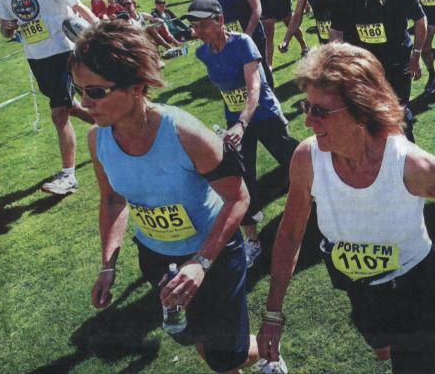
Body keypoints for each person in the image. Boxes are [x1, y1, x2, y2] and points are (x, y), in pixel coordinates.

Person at [256, 43, 435, 374]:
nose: (308, 122)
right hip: (355, 284)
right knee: (382, 346)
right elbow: (289, 234)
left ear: (361, 109)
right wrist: (272, 313)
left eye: (321, 112)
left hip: (414, 289)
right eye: (307, 107)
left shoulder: (411, 165)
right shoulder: (306, 158)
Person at [73, 20, 285, 374]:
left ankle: (268, 356)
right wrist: (108, 265)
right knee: (193, 336)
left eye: (96, 91)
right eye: (78, 89)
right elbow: (112, 200)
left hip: (214, 257)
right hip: (157, 258)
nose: (83, 102)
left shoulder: (185, 132)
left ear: (137, 86)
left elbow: (238, 198)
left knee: (225, 357)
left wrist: (200, 263)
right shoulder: (98, 139)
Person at [187, 0, 299, 270]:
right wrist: (233, 123)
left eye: (203, 25)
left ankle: (322, 197)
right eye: (194, 26)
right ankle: (252, 240)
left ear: (220, 21)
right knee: (240, 178)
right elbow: (228, 90)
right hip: (236, 122)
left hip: (263, 116)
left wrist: (242, 123)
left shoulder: (243, 44)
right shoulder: (203, 53)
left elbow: (254, 89)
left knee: (294, 161)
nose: (197, 32)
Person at [0, 0, 97, 195]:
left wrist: (100, 32)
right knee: (70, 106)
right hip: (36, 58)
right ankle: (113, 124)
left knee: (58, 114)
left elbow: (78, 7)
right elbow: (6, 28)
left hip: (62, 53)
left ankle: (68, 177)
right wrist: (7, 29)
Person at [330, 0, 427, 141]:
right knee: (368, 115)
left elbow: (420, 20)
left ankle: (408, 156)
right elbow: (336, 31)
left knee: (398, 111)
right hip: (363, 66)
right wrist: (339, 63)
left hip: (396, 61)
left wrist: (416, 55)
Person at [206, 0, 274, 87]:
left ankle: (270, 97)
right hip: (229, 37)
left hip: (252, 34)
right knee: (239, 70)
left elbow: (256, 10)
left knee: (260, 68)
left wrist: (247, 35)